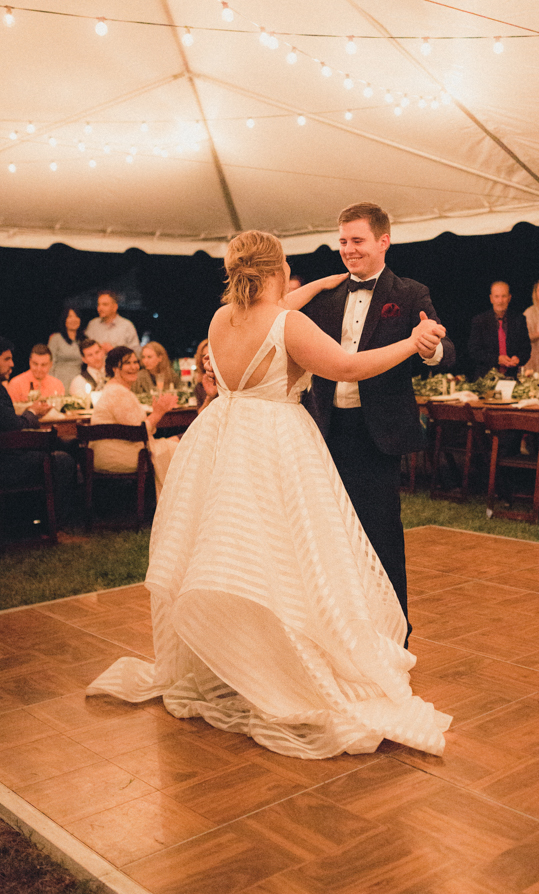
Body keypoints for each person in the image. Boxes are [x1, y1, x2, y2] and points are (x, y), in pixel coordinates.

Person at [87, 230, 451, 760]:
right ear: (277, 269)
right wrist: (411, 344)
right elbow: (346, 367)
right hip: (276, 443)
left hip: (222, 439)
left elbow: (273, 309)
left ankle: (232, 659)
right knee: (291, 558)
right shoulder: (288, 324)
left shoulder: (221, 319)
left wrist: (320, 284)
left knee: (233, 555)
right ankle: (283, 663)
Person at [301, 202, 455, 633]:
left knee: (381, 535)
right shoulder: (326, 296)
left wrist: (430, 347)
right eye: (343, 241)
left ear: (383, 241)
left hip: (377, 435)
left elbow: (445, 350)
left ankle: (393, 633)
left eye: (358, 241)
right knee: (329, 536)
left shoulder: (409, 294)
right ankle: (341, 629)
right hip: (324, 431)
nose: (348, 250)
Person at [0, 338, 76, 525]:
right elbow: (16, 427)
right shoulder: (7, 387)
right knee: (63, 460)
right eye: (7, 359)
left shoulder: (55, 383)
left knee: (66, 444)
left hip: (9, 453)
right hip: (7, 461)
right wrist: (32, 412)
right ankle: (55, 522)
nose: (12, 364)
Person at [90, 346, 179, 498]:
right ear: (115, 368)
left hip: (117, 452)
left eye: (135, 362)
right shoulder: (118, 392)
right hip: (120, 456)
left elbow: (136, 429)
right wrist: (158, 413)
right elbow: (138, 432)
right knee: (183, 448)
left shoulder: (115, 389)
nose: (134, 367)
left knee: (178, 442)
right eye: (127, 363)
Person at [468, 281, 532, 379]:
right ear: (491, 298)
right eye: (497, 296)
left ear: (509, 298)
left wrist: (518, 359)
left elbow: (526, 349)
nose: (500, 301)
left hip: (512, 377)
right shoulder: (480, 321)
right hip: (485, 379)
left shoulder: (519, 319)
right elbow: (474, 351)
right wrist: (497, 359)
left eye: (504, 296)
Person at [85, 290, 141, 356]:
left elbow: (136, 353)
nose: (100, 308)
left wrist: (113, 351)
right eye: (98, 304)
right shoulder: (93, 324)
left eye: (105, 304)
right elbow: (85, 349)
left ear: (115, 307)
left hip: (118, 362)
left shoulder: (126, 326)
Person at [48, 306, 85, 390]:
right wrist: (50, 382)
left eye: (76, 316)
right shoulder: (56, 338)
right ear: (64, 320)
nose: (73, 319)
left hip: (78, 381)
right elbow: (50, 362)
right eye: (70, 316)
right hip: (58, 380)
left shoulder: (83, 340)